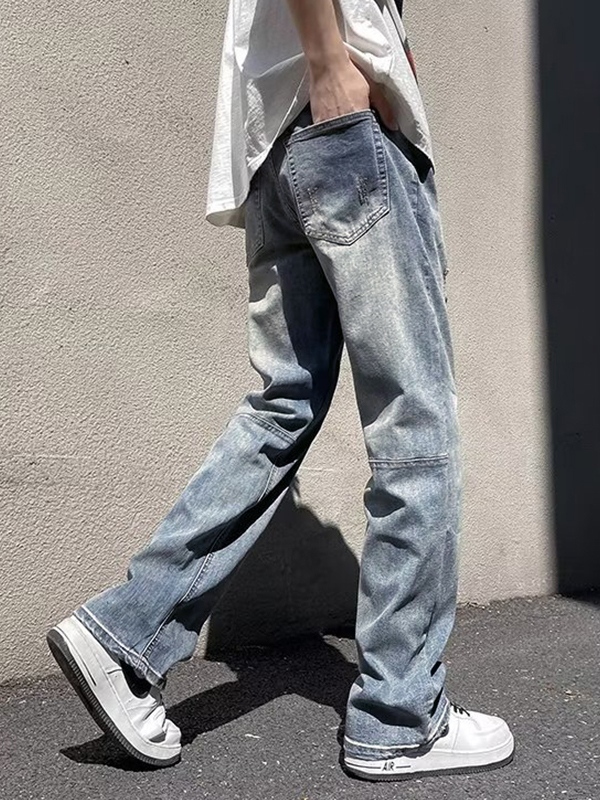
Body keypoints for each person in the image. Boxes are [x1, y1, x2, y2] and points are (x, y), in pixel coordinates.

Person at [47, 0, 515, 781]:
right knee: (416, 424)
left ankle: (124, 635)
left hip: (275, 145)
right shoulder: (333, 77)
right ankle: (401, 717)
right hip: (345, 127)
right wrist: (331, 63)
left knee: (281, 407)